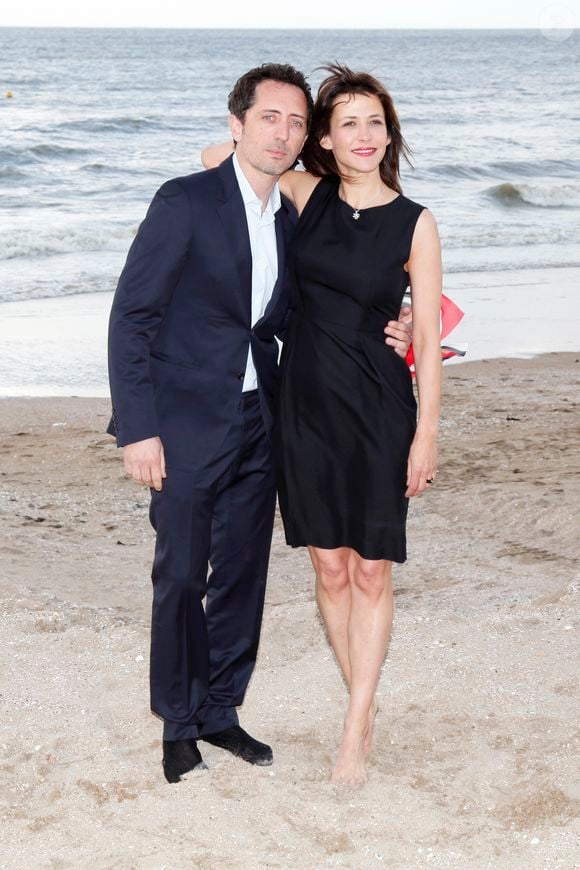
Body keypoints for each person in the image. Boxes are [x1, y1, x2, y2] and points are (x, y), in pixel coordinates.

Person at [108, 63, 412, 784]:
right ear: (237, 123)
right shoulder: (185, 202)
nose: (282, 132)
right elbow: (132, 317)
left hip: (264, 418)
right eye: (268, 117)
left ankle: (220, 709)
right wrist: (138, 428)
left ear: (307, 137)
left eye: (295, 122)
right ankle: (178, 724)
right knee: (181, 575)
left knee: (244, 575)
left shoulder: (293, 217)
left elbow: (335, 296)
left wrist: (397, 325)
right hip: (181, 424)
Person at [203, 64, 442, 786]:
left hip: (378, 408)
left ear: (389, 132)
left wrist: (427, 432)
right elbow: (220, 158)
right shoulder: (307, 194)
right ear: (327, 140)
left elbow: (428, 336)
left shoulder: (415, 222)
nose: (364, 136)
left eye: (375, 122)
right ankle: (361, 700)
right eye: (347, 123)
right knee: (328, 565)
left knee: (371, 567)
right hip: (302, 404)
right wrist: (280, 137)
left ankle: (355, 724)